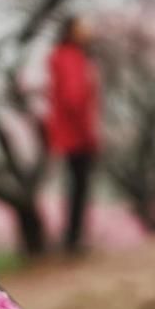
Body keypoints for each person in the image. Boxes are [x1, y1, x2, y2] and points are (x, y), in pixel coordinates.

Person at [45, 15, 100, 254]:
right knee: (79, 186)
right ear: (71, 31)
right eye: (82, 27)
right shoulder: (70, 57)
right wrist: (88, 132)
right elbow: (73, 96)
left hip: (68, 132)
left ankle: (73, 238)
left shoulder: (61, 55)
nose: (88, 31)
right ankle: (73, 240)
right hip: (77, 133)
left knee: (76, 185)